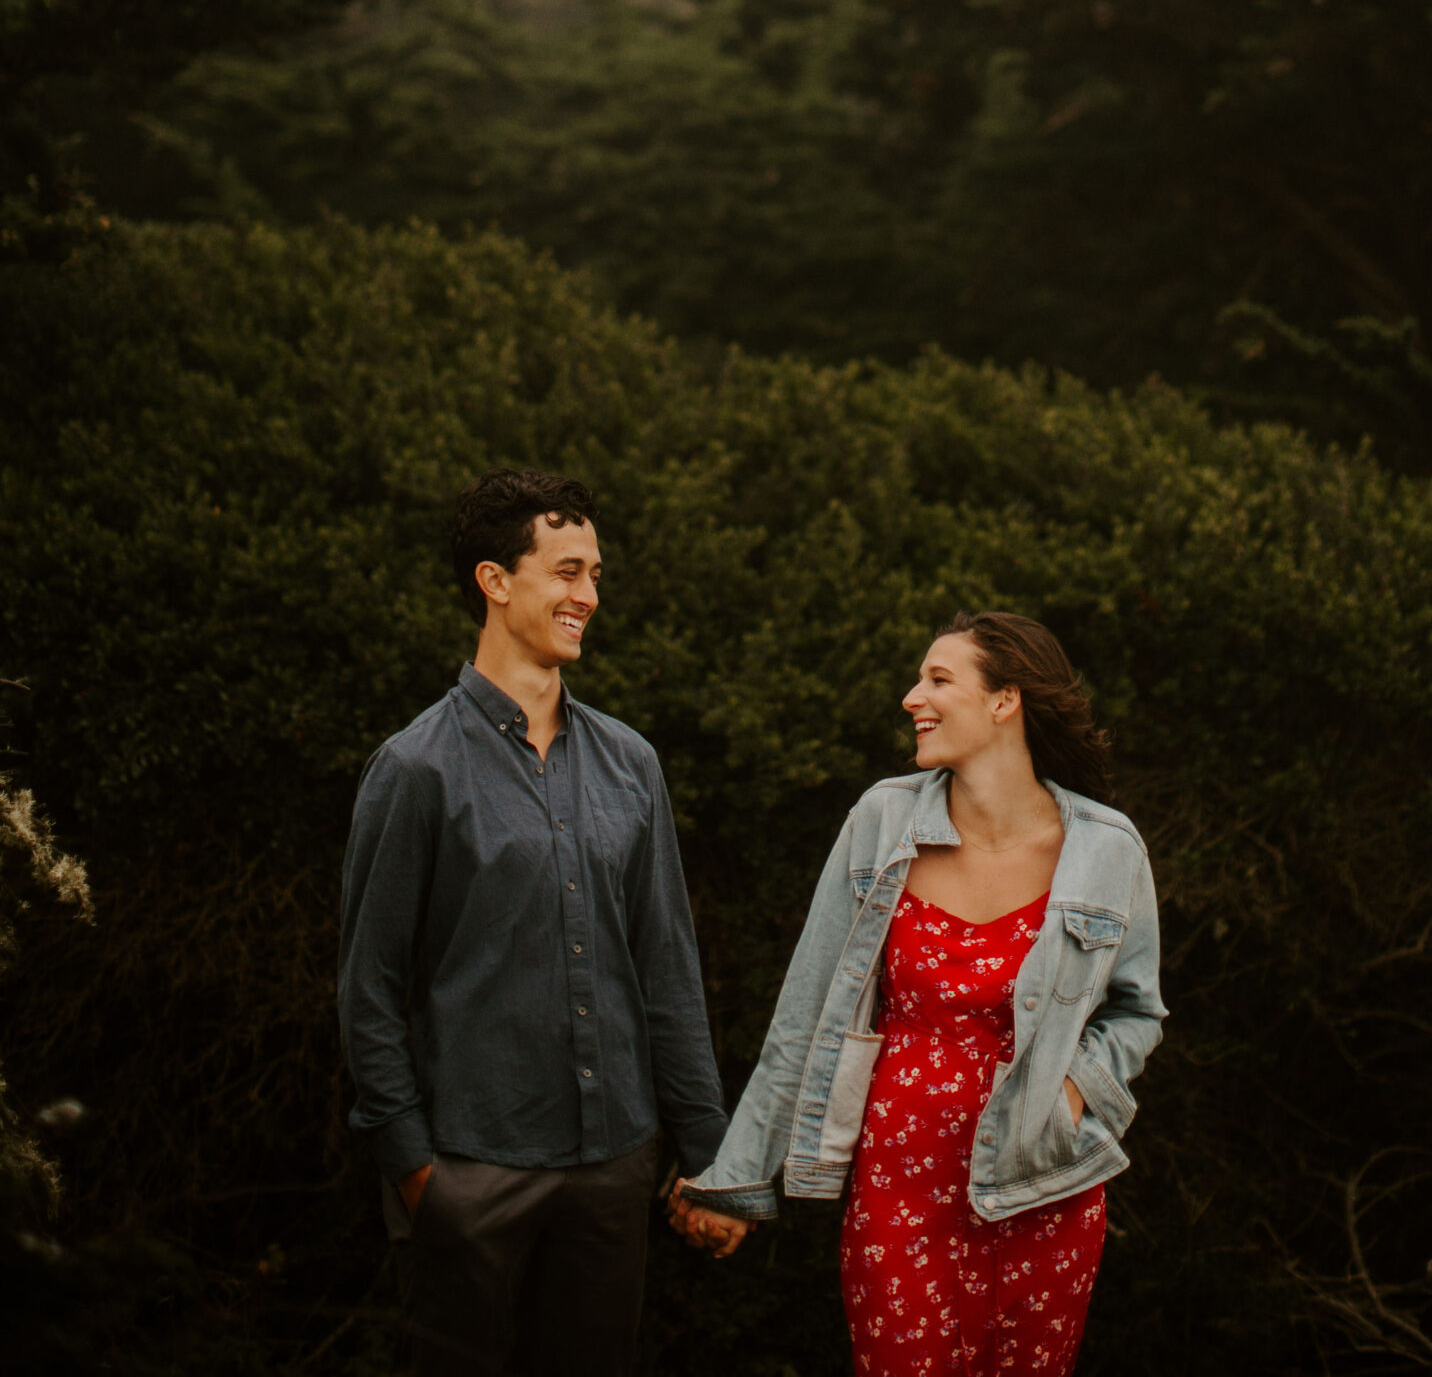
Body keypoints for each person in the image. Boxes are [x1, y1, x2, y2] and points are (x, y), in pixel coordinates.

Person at [668, 611, 1165, 1375]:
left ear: (1005, 701)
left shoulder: (1106, 848)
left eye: (938, 679)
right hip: (899, 1188)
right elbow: (804, 1013)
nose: (911, 697)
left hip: (1045, 1186)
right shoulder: (882, 820)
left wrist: (1074, 1090)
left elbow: (1136, 1012)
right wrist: (735, 1179)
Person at [338, 470, 728, 1377]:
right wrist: (416, 1171)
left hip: (614, 1165)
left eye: (593, 574)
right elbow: (368, 990)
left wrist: (708, 1150)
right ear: (495, 580)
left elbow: (667, 967)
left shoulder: (632, 763)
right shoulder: (414, 770)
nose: (587, 596)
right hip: (469, 1167)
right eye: (565, 571)